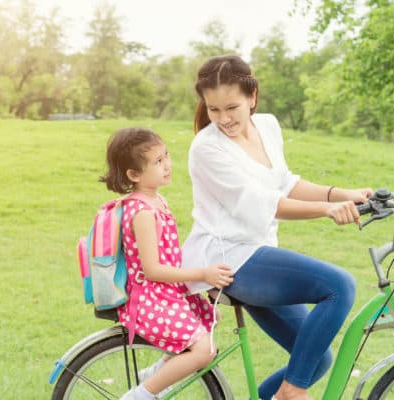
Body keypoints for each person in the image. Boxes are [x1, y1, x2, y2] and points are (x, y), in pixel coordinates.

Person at [181, 54, 371, 400]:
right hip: (230, 259)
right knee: (339, 286)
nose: (223, 119)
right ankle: (291, 393)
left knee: (315, 359)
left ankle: (288, 390)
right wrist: (328, 210)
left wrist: (344, 194)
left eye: (232, 108)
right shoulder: (207, 149)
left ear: (252, 97)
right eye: (214, 110)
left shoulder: (266, 126)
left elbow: (283, 184)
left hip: (260, 253)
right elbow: (264, 205)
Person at [98, 127, 235, 400]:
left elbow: (170, 253)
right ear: (134, 175)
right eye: (157, 162)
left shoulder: (158, 200)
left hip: (169, 292)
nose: (167, 166)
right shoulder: (142, 212)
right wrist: (203, 274)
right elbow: (153, 270)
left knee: (212, 318)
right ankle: (141, 395)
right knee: (204, 350)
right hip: (151, 298)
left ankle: (157, 371)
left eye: (166, 156)